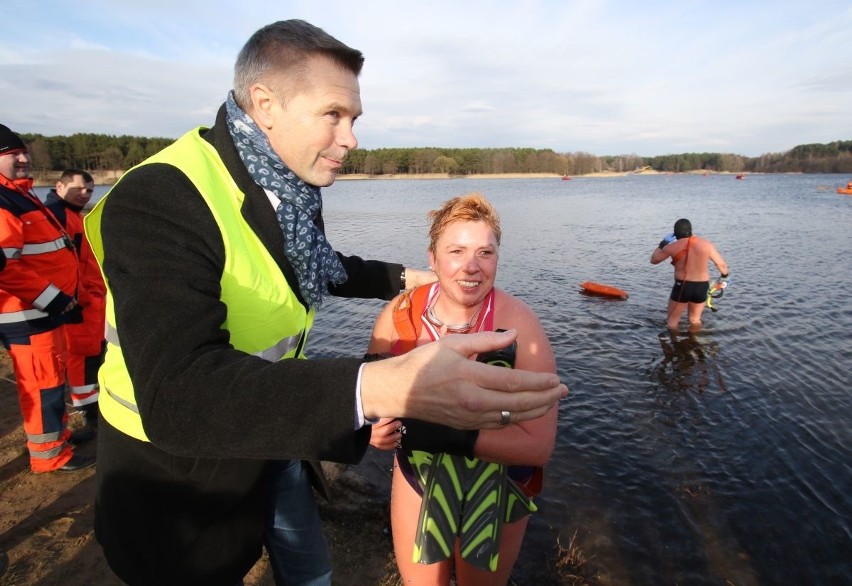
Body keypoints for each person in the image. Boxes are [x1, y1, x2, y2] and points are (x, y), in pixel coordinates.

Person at [83, 20, 566, 586]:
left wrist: (407, 276)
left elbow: (314, 266)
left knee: (309, 569)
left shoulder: (286, 187)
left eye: (354, 118)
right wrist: (383, 386)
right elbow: (178, 392)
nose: (352, 138)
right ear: (265, 104)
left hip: (271, 436)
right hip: (177, 479)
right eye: (333, 115)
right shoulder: (160, 197)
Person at [367, 193, 558, 585]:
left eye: (485, 252)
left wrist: (416, 428)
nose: (472, 266)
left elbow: (538, 446)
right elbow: (365, 399)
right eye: (456, 251)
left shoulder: (520, 326)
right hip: (417, 472)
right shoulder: (400, 317)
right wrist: (371, 428)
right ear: (433, 258)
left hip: (500, 481)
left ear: (498, 258)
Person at [0, 124, 94, 473]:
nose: (24, 159)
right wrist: (52, 297)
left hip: (41, 311)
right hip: (25, 313)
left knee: (52, 379)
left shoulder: (19, 194)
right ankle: (50, 456)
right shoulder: (3, 199)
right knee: (43, 385)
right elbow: (4, 267)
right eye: (13, 155)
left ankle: (59, 438)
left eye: (24, 152)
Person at [45, 169, 104, 440]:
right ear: (59, 186)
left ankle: (92, 411)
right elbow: (65, 266)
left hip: (91, 303)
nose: (85, 195)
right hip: (80, 305)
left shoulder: (72, 217)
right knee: (82, 360)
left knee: (91, 357)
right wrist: (79, 298)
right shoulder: (56, 217)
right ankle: (89, 416)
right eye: (79, 189)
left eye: (90, 191)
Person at [650, 218, 729, 330]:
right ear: (691, 231)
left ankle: (674, 345)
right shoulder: (706, 244)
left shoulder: (672, 246)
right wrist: (724, 277)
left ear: (675, 234)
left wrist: (662, 244)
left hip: (683, 286)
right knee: (695, 320)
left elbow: (654, 260)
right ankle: (695, 344)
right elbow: (722, 266)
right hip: (702, 287)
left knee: (672, 321)